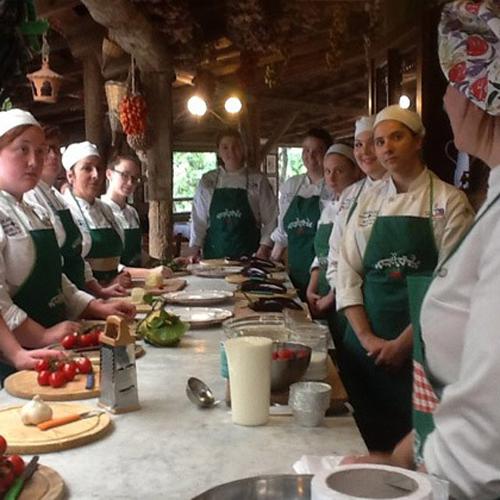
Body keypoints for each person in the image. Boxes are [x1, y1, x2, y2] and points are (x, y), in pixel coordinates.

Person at [342, 2, 500, 498]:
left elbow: (488, 412)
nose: (448, 101)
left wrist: (417, 478)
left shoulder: (454, 203)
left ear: (480, 95)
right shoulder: (494, 195)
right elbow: (465, 392)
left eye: (452, 84)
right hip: (437, 453)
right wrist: (399, 458)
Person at [335, 104, 474, 452]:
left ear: (418, 141)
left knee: (413, 448)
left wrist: (402, 344)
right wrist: (366, 336)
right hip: (364, 350)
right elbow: (347, 271)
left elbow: (451, 288)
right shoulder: (366, 202)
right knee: (358, 436)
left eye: (396, 137)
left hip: (421, 351)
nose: (386, 148)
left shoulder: (449, 202)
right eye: (380, 142)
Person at [0, 109, 134, 380]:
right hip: (19, 359)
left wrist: (95, 306)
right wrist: (33, 341)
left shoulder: (33, 211)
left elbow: (54, 278)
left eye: (40, 151)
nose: (34, 161)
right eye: (22, 149)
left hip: (54, 347)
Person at [24, 126, 127, 298]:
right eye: (45, 150)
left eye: (56, 149)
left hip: (77, 297)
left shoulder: (56, 198)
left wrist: (97, 292)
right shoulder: (30, 198)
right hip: (52, 301)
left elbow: (75, 257)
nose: (53, 155)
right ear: (70, 176)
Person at [62, 142, 170, 285]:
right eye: (87, 168)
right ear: (71, 176)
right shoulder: (67, 212)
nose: (95, 175)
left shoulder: (105, 210)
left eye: (98, 168)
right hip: (88, 294)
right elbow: (72, 265)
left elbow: (117, 259)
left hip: (118, 287)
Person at [325, 116, 387, 344]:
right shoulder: (350, 195)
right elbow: (335, 257)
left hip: (397, 315)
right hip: (351, 311)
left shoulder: (406, 190)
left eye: (374, 142)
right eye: (359, 145)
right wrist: (346, 296)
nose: (365, 151)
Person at [189, 128, 277, 260]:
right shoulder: (208, 181)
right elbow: (198, 220)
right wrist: (194, 249)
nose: (231, 151)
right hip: (214, 259)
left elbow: (271, 218)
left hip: (249, 258)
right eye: (225, 147)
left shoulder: (257, 180)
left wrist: (264, 247)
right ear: (218, 151)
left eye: (236, 146)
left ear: (243, 149)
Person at [271, 128, 334, 299]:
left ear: (327, 153)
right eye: (306, 150)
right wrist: (270, 262)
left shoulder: (334, 187)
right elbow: (283, 230)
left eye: (317, 151)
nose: (310, 156)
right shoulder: (291, 185)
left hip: (325, 272)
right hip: (295, 271)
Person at [306, 143, 361, 317]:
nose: (331, 178)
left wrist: (332, 296)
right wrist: (311, 287)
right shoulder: (328, 210)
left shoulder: (360, 208)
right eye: (327, 171)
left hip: (347, 298)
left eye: (339, 171)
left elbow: (353, 261)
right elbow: (320, 255)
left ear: (356, 172)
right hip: (321, 293)